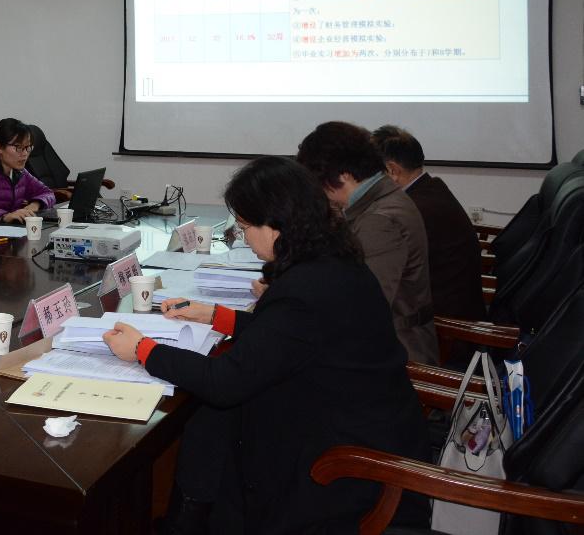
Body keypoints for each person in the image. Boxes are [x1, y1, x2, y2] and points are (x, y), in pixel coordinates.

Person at [103, 156, 429, 534]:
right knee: (210, 425)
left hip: (342, 467)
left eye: (245, 227)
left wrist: (143, 349)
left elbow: (225, 381)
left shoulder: (304, 288)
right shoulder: (333, 261)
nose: (243, 237)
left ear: (277, 225)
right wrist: (218, 317)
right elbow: (291, 338)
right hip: (355, 422)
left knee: (215, 416)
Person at [296, 120, 439, 364]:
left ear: (343, 175)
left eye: (320, 184)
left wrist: (297, 297)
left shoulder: (379, 220)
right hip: (380, 338)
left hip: (393, 351)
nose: (321, 194)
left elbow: (363, 305)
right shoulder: (381, 199)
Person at [372, 125, 487, 320]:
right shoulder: (431, 189)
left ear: (392, 170)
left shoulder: (411, 211)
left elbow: (382, 276)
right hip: (452, 306)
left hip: (441, 325)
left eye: (369, 173)